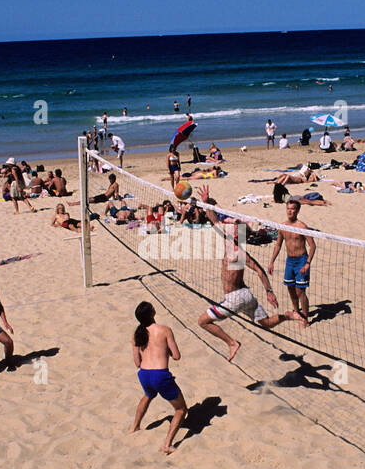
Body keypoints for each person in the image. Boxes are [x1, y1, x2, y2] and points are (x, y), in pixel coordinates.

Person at [195, 187, 304, 361]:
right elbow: (214, 219)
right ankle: (288, 316)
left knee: (203, 322)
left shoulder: (238, 252)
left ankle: (232, 343)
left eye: (234, 229)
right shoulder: (231, 243)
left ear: (239, 235)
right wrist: (206, 202)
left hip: (235, 298)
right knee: (266, 324)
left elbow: (260, 271)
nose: (230, 229)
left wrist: (269, 292)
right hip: (246, 294)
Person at [129, 301, 188, 455]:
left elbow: (137, 363)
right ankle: (167, 444)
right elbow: (176, 356)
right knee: (181, 409)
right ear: (152, 313)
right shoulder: (164, 330)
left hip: (144, 375)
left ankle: (134, 427)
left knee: (149, 395)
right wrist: (165, 351)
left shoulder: (136, 335)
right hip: (160, 376)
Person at [268, 199, 317, 324]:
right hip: (290, 261)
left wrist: (307, 263)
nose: (290, 211)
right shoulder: (283, 226)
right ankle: (296, 311)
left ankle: (305, 318)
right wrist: (272, 261)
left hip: (301, 260)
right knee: (290, 288)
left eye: (292, 209)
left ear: (297, 211)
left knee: (300, 291)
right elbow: (278, 245)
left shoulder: (302, 226)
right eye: (288, 208)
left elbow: (312, 246)